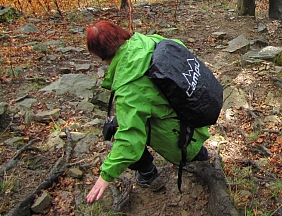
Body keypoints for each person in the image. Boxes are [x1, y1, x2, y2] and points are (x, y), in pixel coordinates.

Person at [85, 21, 211, 203]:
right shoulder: (149, 41)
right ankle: (199, 156)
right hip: (196, 113)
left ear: (100, 55)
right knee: (146, 114)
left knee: (117, 127)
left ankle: (148, 174)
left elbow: (129, 138)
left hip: (179, 135)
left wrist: (106, 175)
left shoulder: (129, 87)